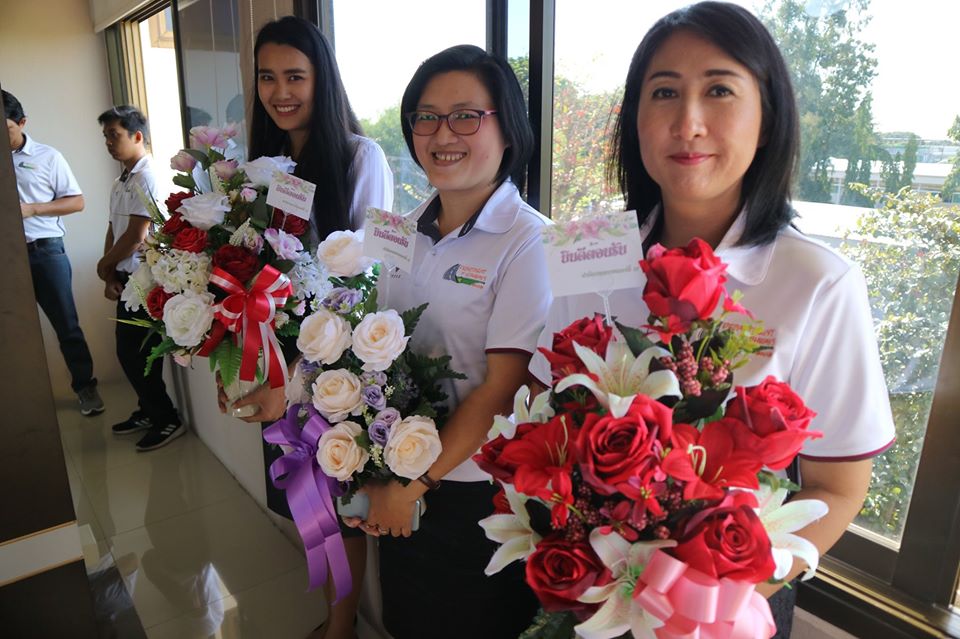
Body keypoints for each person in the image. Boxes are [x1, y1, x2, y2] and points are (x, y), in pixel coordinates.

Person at [527, 3, 896, 637]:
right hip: (594, 593)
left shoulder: (818, 282)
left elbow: (837, 488)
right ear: (635, 120)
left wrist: (712, 607)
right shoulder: (587, 251)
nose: (687, 123)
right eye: (664, 92)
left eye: (719, 90)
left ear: (767, 117)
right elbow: (541, 414)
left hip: (731, 607)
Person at [344, 45, 550, 639]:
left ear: (508, 128)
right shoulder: (402, 230)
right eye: (426, 117)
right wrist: (371, 464)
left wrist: (413, 484)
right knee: (409, 620)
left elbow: (502, 390)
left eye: (465, 116)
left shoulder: (529, 241)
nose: (442, 134)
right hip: (397, 473)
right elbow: (376, 351)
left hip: (474, 495)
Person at [214, 16, 393, 639]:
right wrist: (235, 356)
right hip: (277, 354)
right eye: (268, 77)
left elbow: (366, 278)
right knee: (302, 497)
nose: (281, 92)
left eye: (296, 76)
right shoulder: (261, 168)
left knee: (338, 502)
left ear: (323, 79)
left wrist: (293, 374)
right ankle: (334, 619)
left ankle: (341, 629)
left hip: (334, 358)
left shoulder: (359, 156)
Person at [4, 89, 104, 416]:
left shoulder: (47, 156)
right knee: (11, 330)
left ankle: (86, 388)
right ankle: (19, 398)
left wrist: (33, 209)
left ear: (22, 122)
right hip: (6, 257)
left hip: (45, 252)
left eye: (6, 128)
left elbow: (77, 201)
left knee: (66, 325)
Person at [96, 106, 183, 452]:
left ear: (137, 136)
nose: (108, 142)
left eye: (114, 135)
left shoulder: (147, 175)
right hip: (125, 277)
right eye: (105, 136)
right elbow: (113, 229)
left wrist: (104, 264)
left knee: (136, 353)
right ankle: (149, 410)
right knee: (130, 352)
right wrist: (108, 272)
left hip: (146, 279)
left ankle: (166, 418)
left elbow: (136, 235)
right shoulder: (121, 181)